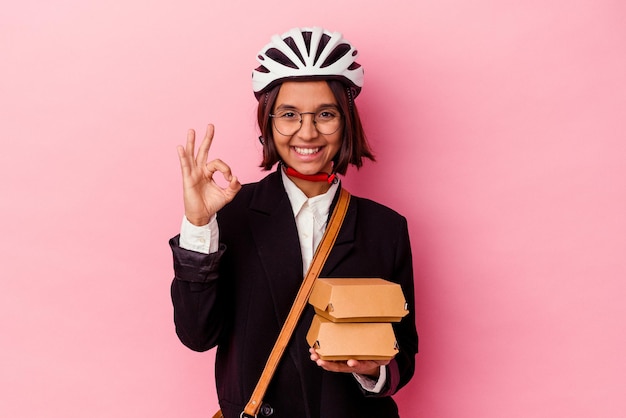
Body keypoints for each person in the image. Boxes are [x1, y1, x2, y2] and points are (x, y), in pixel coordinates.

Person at [170, 27, 418, 418]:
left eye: (325, 114)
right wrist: (199, 223)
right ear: (267, 123)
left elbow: (403, 352)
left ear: (345, 122)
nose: (307, 132)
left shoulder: (385, 229)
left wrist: (374, 371)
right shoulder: (230, 216)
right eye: (289, 115)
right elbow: (197, 335)